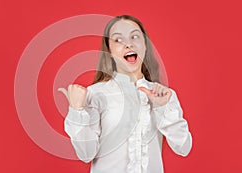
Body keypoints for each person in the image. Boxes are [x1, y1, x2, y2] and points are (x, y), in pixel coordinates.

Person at [59, 15, 192, 173]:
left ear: (145, 45)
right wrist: (77, 110)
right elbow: (86, 154)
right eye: (118, 40)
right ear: (109, 50)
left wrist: (162, 108)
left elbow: (183, 147)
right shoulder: (95, 94)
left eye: (135, 37)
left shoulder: (163, 95)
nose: (128, 44)